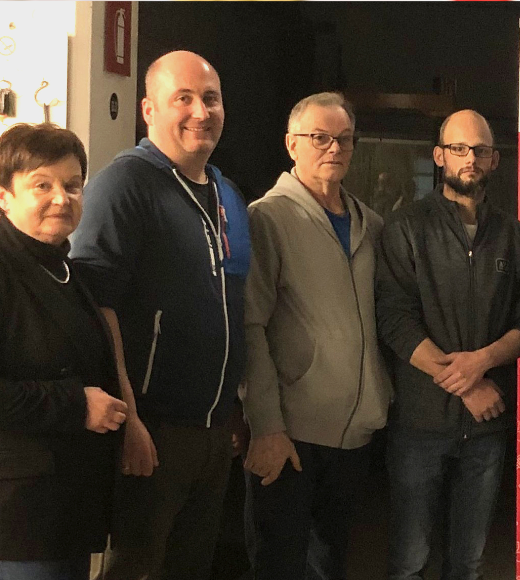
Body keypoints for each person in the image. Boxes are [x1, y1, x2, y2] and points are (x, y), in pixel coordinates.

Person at [70, 51, 251, 579]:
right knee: (136, 568)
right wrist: (130, 420)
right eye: (184, 99)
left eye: (211, 99)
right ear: (148, 110)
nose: (201, 111)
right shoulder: (124, 184)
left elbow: (232, 305)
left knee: (190, 568)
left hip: (212, 431)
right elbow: (96, 307)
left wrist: (233, 408)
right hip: (153, 428)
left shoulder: (226, 192)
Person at [375, 109, 520, 579]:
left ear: (495, 160)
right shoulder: (406, 227)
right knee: (410, 560)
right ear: (439, 155)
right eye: (459, 148)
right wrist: (468, 384)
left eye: (481, 150)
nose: (471, 158)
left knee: (469, 561)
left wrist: (483, 361)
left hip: (486, 427)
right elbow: (394, 319)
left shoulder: (513, 235)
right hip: (419, 423)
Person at [242, 91, 391, 579]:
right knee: (279, 565)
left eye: (344, 138)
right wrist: (265, 426)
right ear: (292, 144)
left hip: (355, 433)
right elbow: (250, 325)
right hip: (290, 433)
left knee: (331, 565)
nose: (334, 148)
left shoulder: (371, 224)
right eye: (320, 137)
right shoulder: (267, 218)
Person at [0, 123, 127, 579]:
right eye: (42, 185)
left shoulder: (63, 267)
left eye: (73, 186)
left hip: (65, 508)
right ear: (4, 196)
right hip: (18, 519)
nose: (62, 198)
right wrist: (77, 404)